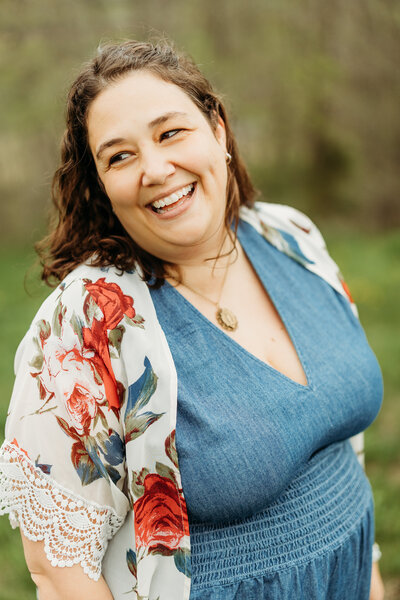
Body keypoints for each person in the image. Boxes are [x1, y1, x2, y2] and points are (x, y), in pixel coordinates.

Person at [0, 40, 385, 600]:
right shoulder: (88, 322)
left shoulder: (291, 238)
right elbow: (61, 571)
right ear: (103, 186)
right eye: (120, 156)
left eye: (170, 132)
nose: (156, 169)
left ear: (219, 131)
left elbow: (344, 462)